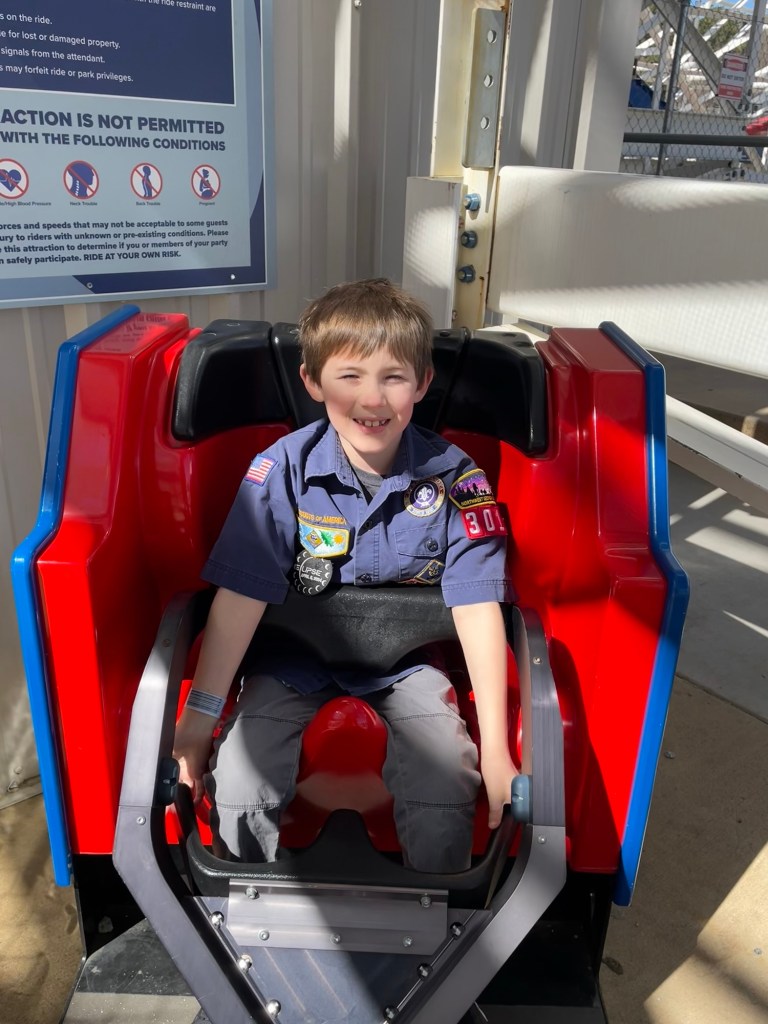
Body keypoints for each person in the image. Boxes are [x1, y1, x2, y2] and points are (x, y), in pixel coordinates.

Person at [173, 278, 517, 873]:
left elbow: (477, 606)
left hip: (407, 668)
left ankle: (436, 912)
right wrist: (198, 720)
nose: (373, 399)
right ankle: (245, 902)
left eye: (393, 377)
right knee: (237, 782)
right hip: (289, 666)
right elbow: (239, 598)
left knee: (446, 781)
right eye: (350, 376)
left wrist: (497, 756)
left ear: (423, 384)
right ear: (312, 382)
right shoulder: (280, 471)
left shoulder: (456, 478)